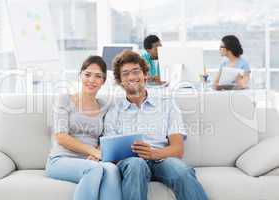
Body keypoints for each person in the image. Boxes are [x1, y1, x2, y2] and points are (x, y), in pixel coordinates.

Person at [104, 50, 208, 200]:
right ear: (120, 80)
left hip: (161, 160)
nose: (132, 77)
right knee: (136, 165)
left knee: (181, 170)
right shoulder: (114, 112)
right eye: (125, 74)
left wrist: (153, 154)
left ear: (145, 74)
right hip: (131, 164)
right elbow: (111, 156)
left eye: (136, 71)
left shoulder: (167, 105)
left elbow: (177, 149)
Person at [46, 56, 122, 200]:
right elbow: (61, 137)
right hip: (61, 159)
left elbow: (108, 138)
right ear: (80, 75)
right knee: (93, 169)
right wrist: (93, 152)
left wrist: (97, 154)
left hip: (92, 159)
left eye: (98, 76)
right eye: (87, 74)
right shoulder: (64, 99)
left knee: (112, 170)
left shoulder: (106, 106)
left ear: (103, 81)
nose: (91, 80)